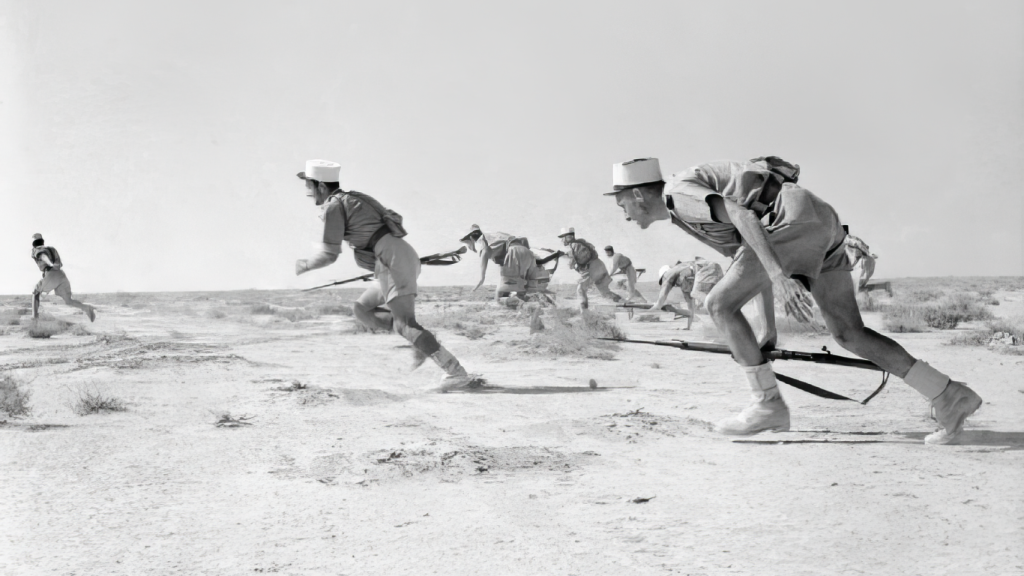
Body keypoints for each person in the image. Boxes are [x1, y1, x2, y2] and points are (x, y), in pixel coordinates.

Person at [605, 156, 981, 444]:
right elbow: (751, 251)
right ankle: (948, 394)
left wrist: (778, 275)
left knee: (717, 305)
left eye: (621, 203)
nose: (623, 214)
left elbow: (740, 216)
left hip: (794, 223)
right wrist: (768, 329)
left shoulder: (677, 195)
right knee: (850, 333)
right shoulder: (683, 208)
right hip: (821, 222)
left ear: (638, 195)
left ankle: (767, 403)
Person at [294, 159, 480, 391]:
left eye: (308, 186)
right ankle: (421, 340)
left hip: (393, 260)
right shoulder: (353, 198)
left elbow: (329, 255)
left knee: (405, 324)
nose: (307, 193)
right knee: (362, 309)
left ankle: (456, 372)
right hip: (393, 257)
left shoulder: (334, 206)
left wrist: (304, 265)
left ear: (320, 186)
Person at [459, 224, 552, 304]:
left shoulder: (480, 243)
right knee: (522, 292)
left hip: (514, 252)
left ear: (471, 238)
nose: (469, 247)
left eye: (467, 244)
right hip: (526, 251)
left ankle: (528, 306)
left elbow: (485, 251)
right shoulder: (494, 235)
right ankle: (546, 304)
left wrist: (480, 281)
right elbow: (523, 240)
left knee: (499, 298)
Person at [30, 233, 96, 322]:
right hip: (61, 275)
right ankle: (87, 308)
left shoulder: (36, 250)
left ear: (34, 243)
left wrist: (49, 263)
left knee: (35, 292)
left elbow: (42, 256)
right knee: (69, 301)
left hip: (51, 274)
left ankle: (35, 320)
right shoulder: (52, 249)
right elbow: (59, 264)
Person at [557, 227, 623, 310]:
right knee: (605, 292)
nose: (562, 240)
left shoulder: (573, 245)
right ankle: (624, 303)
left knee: (581, 290)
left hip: (592, 269)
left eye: (563, 238)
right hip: (600, 266)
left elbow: (573, 263)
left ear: (567, 237)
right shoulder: (580, 243)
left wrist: (567, 260)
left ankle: (584, 312)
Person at [651, 262, 697, 329]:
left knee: (691, 307)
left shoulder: (671, 275)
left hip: (687, 277)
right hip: (693, 277)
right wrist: (688, 327)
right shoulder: (684, 273)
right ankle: (688, 326)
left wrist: (646, 313)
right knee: (691, 307)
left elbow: (659, 304)